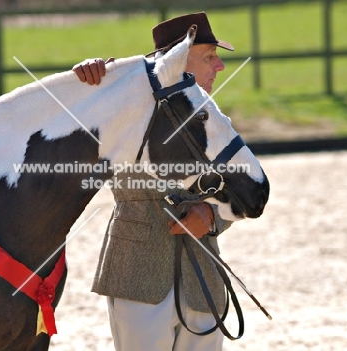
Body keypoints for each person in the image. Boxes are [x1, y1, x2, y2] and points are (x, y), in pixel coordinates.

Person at [73, 12, 235, 351]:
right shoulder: (121, 105)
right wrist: (88, 79)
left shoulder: (217, 120)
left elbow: (240, 189)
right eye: (210, 56)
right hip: (136, 274)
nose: (219, 66)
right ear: (179, 61)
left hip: (203, 277)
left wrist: (210, 215)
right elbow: (75, 121)